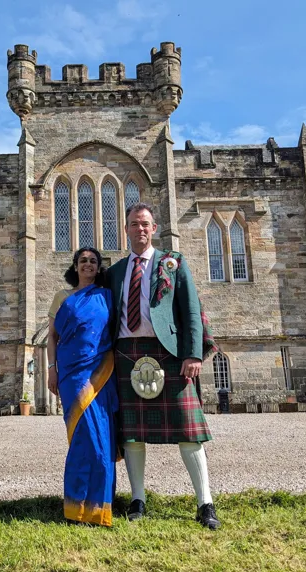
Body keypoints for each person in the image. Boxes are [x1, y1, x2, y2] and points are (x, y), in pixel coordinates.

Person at [107, 203, 221, 529]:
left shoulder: (173, 263)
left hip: (169, 354)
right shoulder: (114, 273)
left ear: (154, 228)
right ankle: (137, 499)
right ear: (126, 229)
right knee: (131, 436)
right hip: (126, 354)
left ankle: (205, 503)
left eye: (145, 224)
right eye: (133, 224)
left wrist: (193, 354)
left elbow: (191, 310)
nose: (139, 229)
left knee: (188, 431)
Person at [46, 247, 119, 527]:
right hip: (71, 375)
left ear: (98, 267)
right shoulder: (62, 298)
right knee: (81, 438)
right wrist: (52, 369)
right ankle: (76, 507)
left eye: (92, 261)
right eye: (82, 261)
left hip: (101, 373)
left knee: (101, 441)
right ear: (75, 267)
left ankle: (99, 507)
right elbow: (52, 337)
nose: (87, 264)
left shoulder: (107, 297)